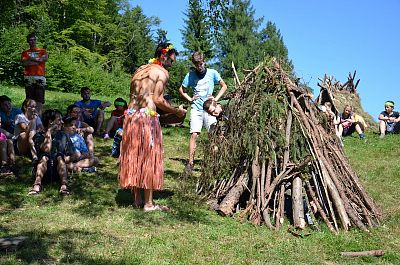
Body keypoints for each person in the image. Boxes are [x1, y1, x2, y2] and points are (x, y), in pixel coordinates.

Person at [119, 42, 186, 212]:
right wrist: (176, 112)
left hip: (131, 116)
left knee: (134, 155)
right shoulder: (161, 72)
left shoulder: (140, 70)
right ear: (163, 56)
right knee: (149, 157)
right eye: (171, 60)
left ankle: (137, 200)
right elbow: (157, 99)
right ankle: (149, 204)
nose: (172, 64)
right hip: (147, 119)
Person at [179, 51, 227, 172]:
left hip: (209, 110)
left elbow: (224, 86)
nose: (199, 67)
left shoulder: (212, 73)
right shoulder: (190, 75)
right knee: (194, 134)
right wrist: (190, 99)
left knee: (213, 135)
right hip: (196, 108)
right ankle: (190, 163)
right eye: (196, 65)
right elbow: (182, 89)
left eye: (200, 64)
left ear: (204, 62)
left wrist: (215, 99)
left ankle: (214, 162)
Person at [28, 109, 74, 195]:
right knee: (44, 157)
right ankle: (37, 184)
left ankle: (64, 185)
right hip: (42, 171)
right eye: (59, 120)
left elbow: (73, 155)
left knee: (59, 156)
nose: (62, 122)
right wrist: (48, 132)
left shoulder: (63, 135)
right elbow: (46, 149)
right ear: (51, 121)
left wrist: (64, 159)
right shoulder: (39, 135)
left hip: (59, 171)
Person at [21, 32, 48, 115]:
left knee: (40, 98)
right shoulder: (25, 52)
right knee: (29, 98)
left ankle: (38, 116)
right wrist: (38, 60)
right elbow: (25, 63)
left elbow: (44, 59)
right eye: (30, 40)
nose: (32, 42)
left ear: (36, 40)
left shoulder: (42, 51)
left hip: (40, 77)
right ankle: (28, 116)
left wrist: (31, 59)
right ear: (28, 41)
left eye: (33, 40)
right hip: (28, 77)